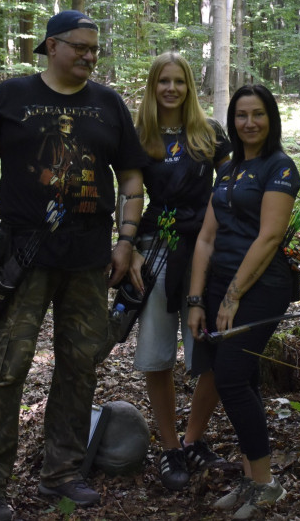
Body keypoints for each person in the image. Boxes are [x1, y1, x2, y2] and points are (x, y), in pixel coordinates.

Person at [0, 10, 150, 521]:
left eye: (95, 49)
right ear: (51, 46)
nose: (89, 56)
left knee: (78, 366)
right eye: (81, 47)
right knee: (8, 367)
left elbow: (132, 180)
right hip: (22, 257)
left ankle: (62, 472)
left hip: (88, 258)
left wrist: (126, 242)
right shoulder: (11, 96)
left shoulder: (108, 104)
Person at [187, 84, 300, 519]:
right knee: (241, 378)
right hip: (218, 284)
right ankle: (253, 479)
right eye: (240, 115)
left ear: (270, 118)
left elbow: (270, 236)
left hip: (261, 288)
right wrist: (198, 298)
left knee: (231, 378)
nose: (249, 123)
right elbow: (206, 237)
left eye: (258, 114)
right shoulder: (230, 169)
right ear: (232, 121)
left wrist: (234, 294)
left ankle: (268, 484)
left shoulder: (280, 167)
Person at [129, 52, 232, 490]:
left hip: (204, 248)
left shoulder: (210, 134)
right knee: (156, 354)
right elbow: (130, 195)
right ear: (153, 87)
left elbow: (232, 190)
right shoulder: (139, 137)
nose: (171, 88)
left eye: (180, 81)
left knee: (210, 350)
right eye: (163, 81)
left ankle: (193, 439)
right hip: (155, 250)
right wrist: (128, 245)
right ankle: (170, 448)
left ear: (190, 87)